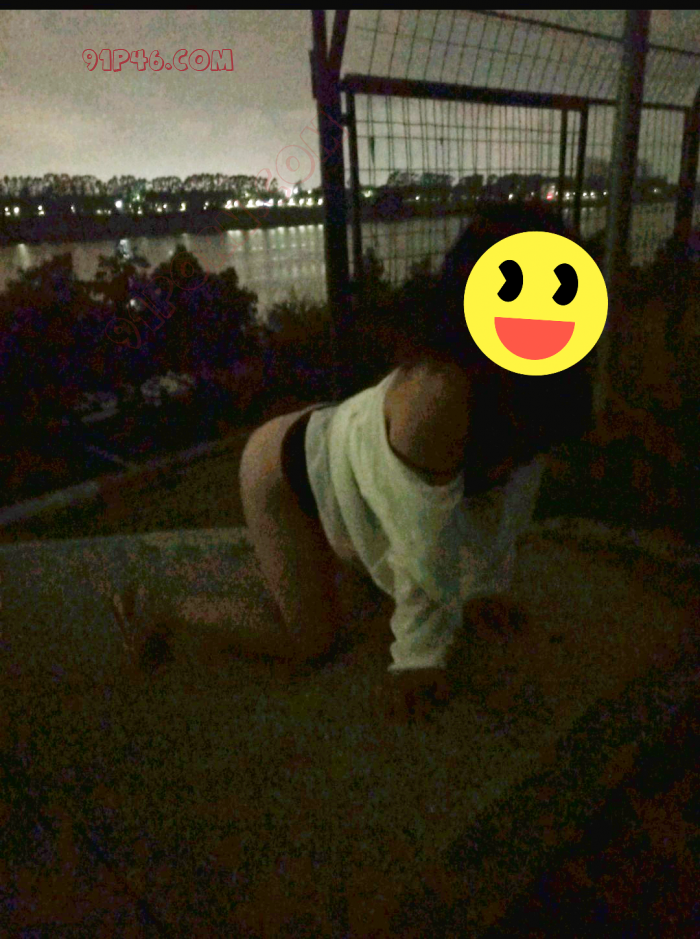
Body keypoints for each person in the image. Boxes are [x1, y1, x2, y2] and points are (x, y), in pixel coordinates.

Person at [237, 199, 595, 718]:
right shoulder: (439, 397)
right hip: (285, 475)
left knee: (366, 586)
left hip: (344, 447)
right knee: (311, 642)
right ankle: (168, 612)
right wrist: (418, 658)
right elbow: (421, 539)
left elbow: (508, 493)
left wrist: (482, 589)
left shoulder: (540, 381)